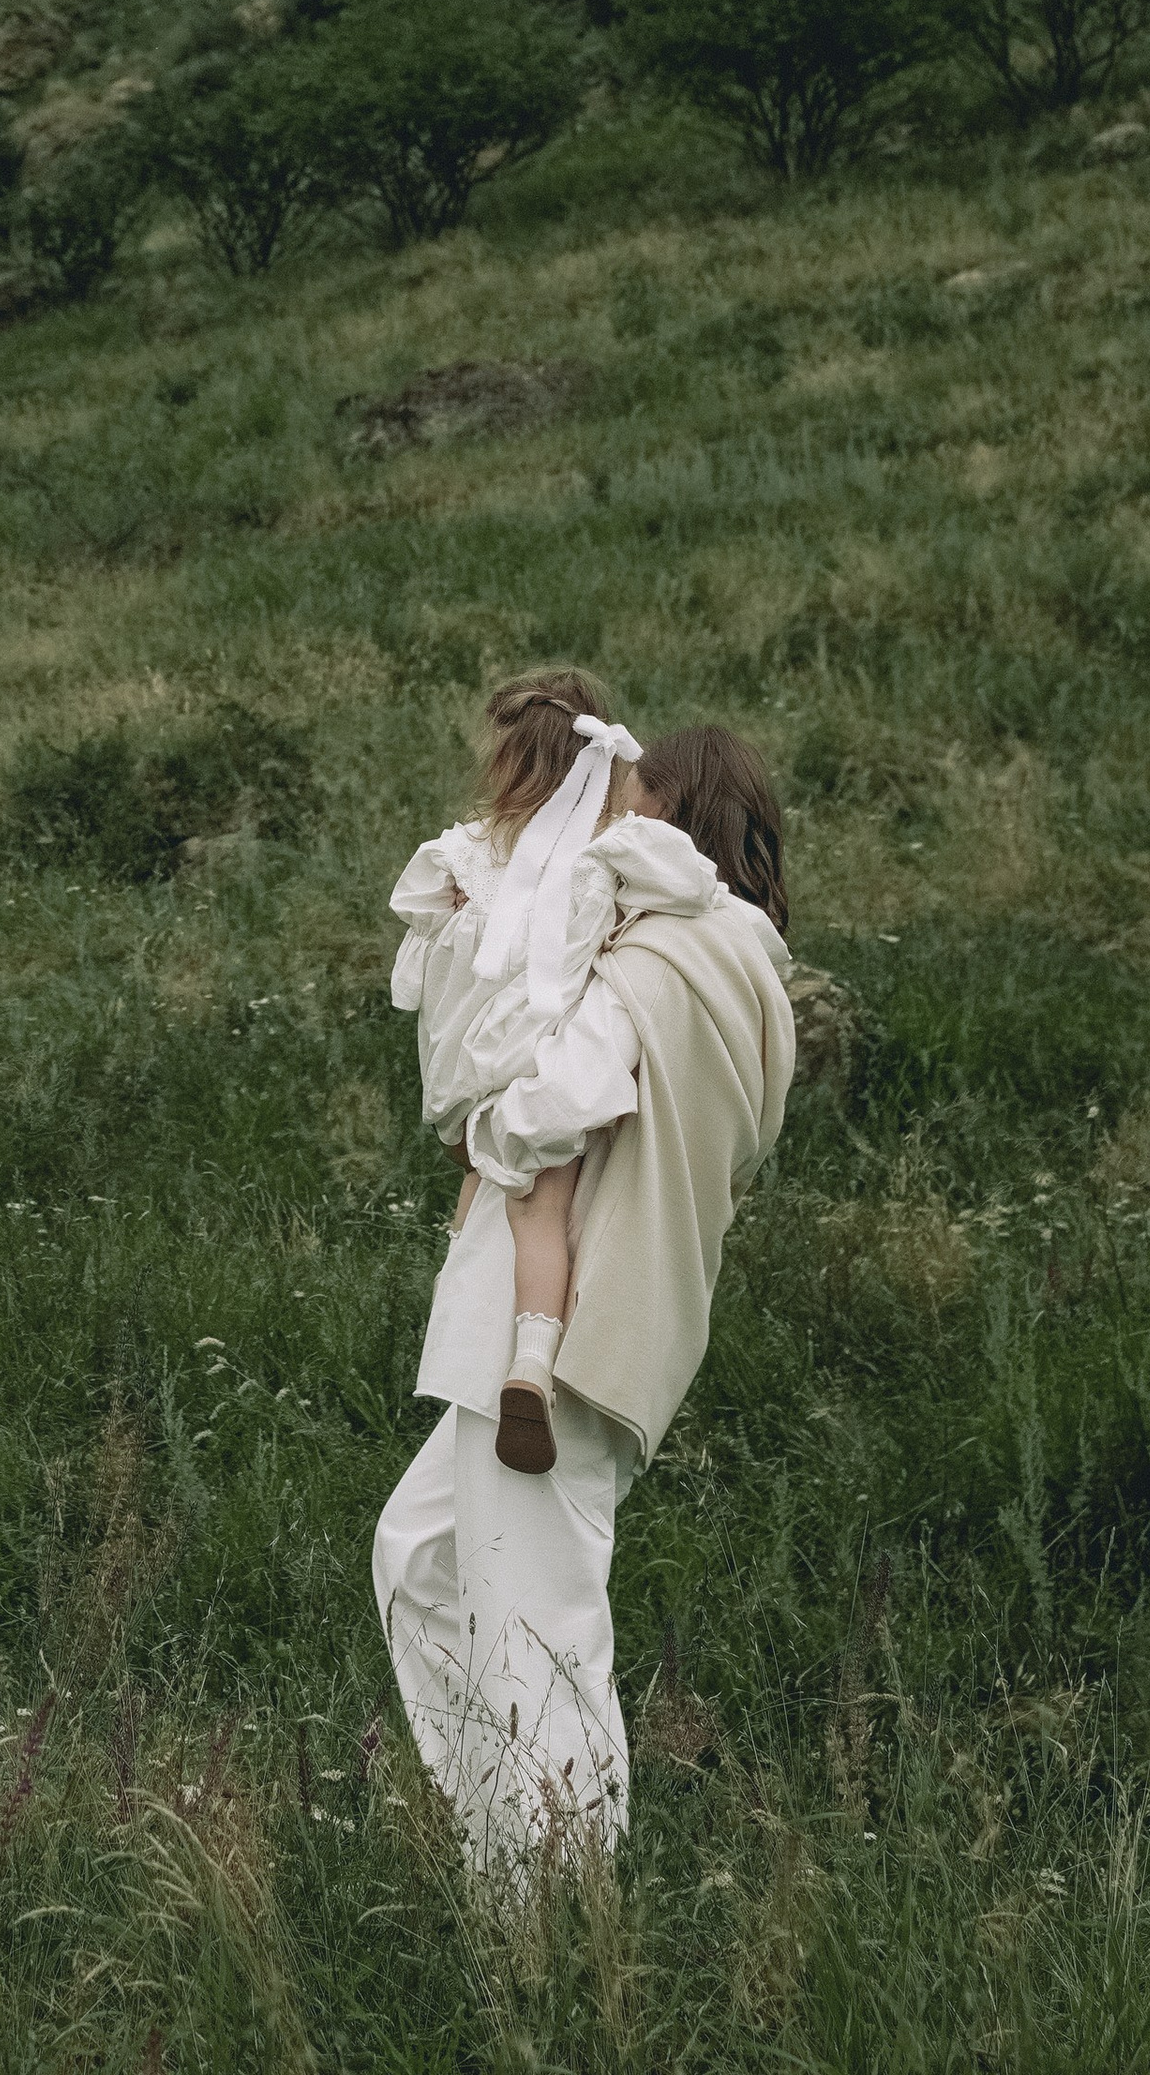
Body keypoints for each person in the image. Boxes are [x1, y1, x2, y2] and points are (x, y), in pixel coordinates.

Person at [372, 700, 796, 1869]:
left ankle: (547, 1907)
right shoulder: (750, 976)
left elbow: (558, 1100)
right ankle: (494, 1840)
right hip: (607, 1319)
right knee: (420, 1554)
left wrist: (483, 1132)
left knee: (537, 1628)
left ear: (667, 817)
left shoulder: (663, 958)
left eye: (629, 804)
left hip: (550, 1325)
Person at [387, 673, 722, 1470]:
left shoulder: (467, 848)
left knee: (480, 1187)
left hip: (472, 1061)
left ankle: (463, 1328)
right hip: (554, 1051)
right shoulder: (611, 847)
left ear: (505, 760)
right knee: (544, 1206)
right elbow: (693, 885)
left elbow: (415, 948)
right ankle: (532, 1362)